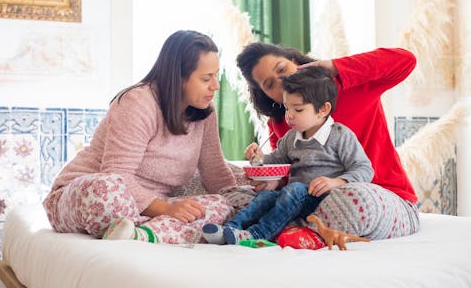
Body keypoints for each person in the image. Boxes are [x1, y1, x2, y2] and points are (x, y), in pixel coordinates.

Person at [42, 30, 238, 244]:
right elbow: (117, 174)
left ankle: (140, 234)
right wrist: (167, 209)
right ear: (178, 77)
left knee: (222, 206)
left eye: (216, 75)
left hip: (153, 207)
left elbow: (215, 171)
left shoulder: (204, 111)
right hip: (91, 195)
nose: (216, 86)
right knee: (106, 189)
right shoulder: (137, 103)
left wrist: (241, 202)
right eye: (206, 78)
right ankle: (156, 228)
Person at [235, 43, 420, 240]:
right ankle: (293, 232)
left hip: (380, 198)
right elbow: (293, 176)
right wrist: (273, 181)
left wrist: (334, 66)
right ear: (266, 94)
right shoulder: (282, 123)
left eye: (282, 69)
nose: (282, 81)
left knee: (354, 199)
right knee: (240, 196)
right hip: (316, 203)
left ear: (296, 62)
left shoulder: (353, 87)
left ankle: (303, 232)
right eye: (270, 85)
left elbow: (406, 60)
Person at [202, 67, 373, 245]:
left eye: (298, 110)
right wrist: (257, 158)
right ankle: (230, 228)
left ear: (323, 109)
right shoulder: (292, 136)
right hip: (291, 197)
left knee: (296, 189)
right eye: (286, 108)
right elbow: (275, 160)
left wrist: (336, 182)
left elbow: (364, 169)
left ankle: (255, 234)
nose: (289, 116)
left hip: (323, 199)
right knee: (266, 196)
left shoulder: (340, 135)